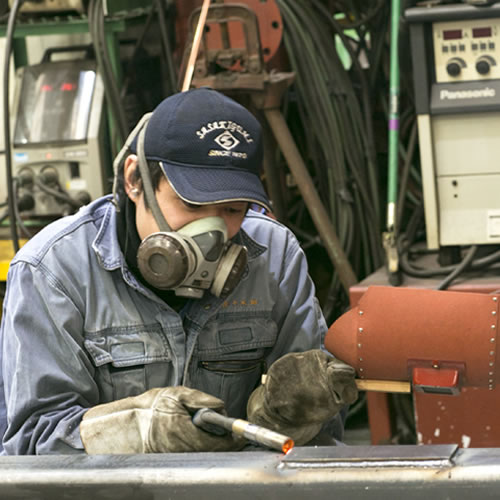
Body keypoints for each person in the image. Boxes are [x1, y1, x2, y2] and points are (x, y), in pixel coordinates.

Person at [0, 88, 357, 455]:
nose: (211, 233)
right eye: (191, 204)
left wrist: (289, 417)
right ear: (135, 181)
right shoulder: (52, 271)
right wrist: (136, 432)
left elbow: (318, 443)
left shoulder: (274, 258)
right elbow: (31, 443)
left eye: (233, 210)